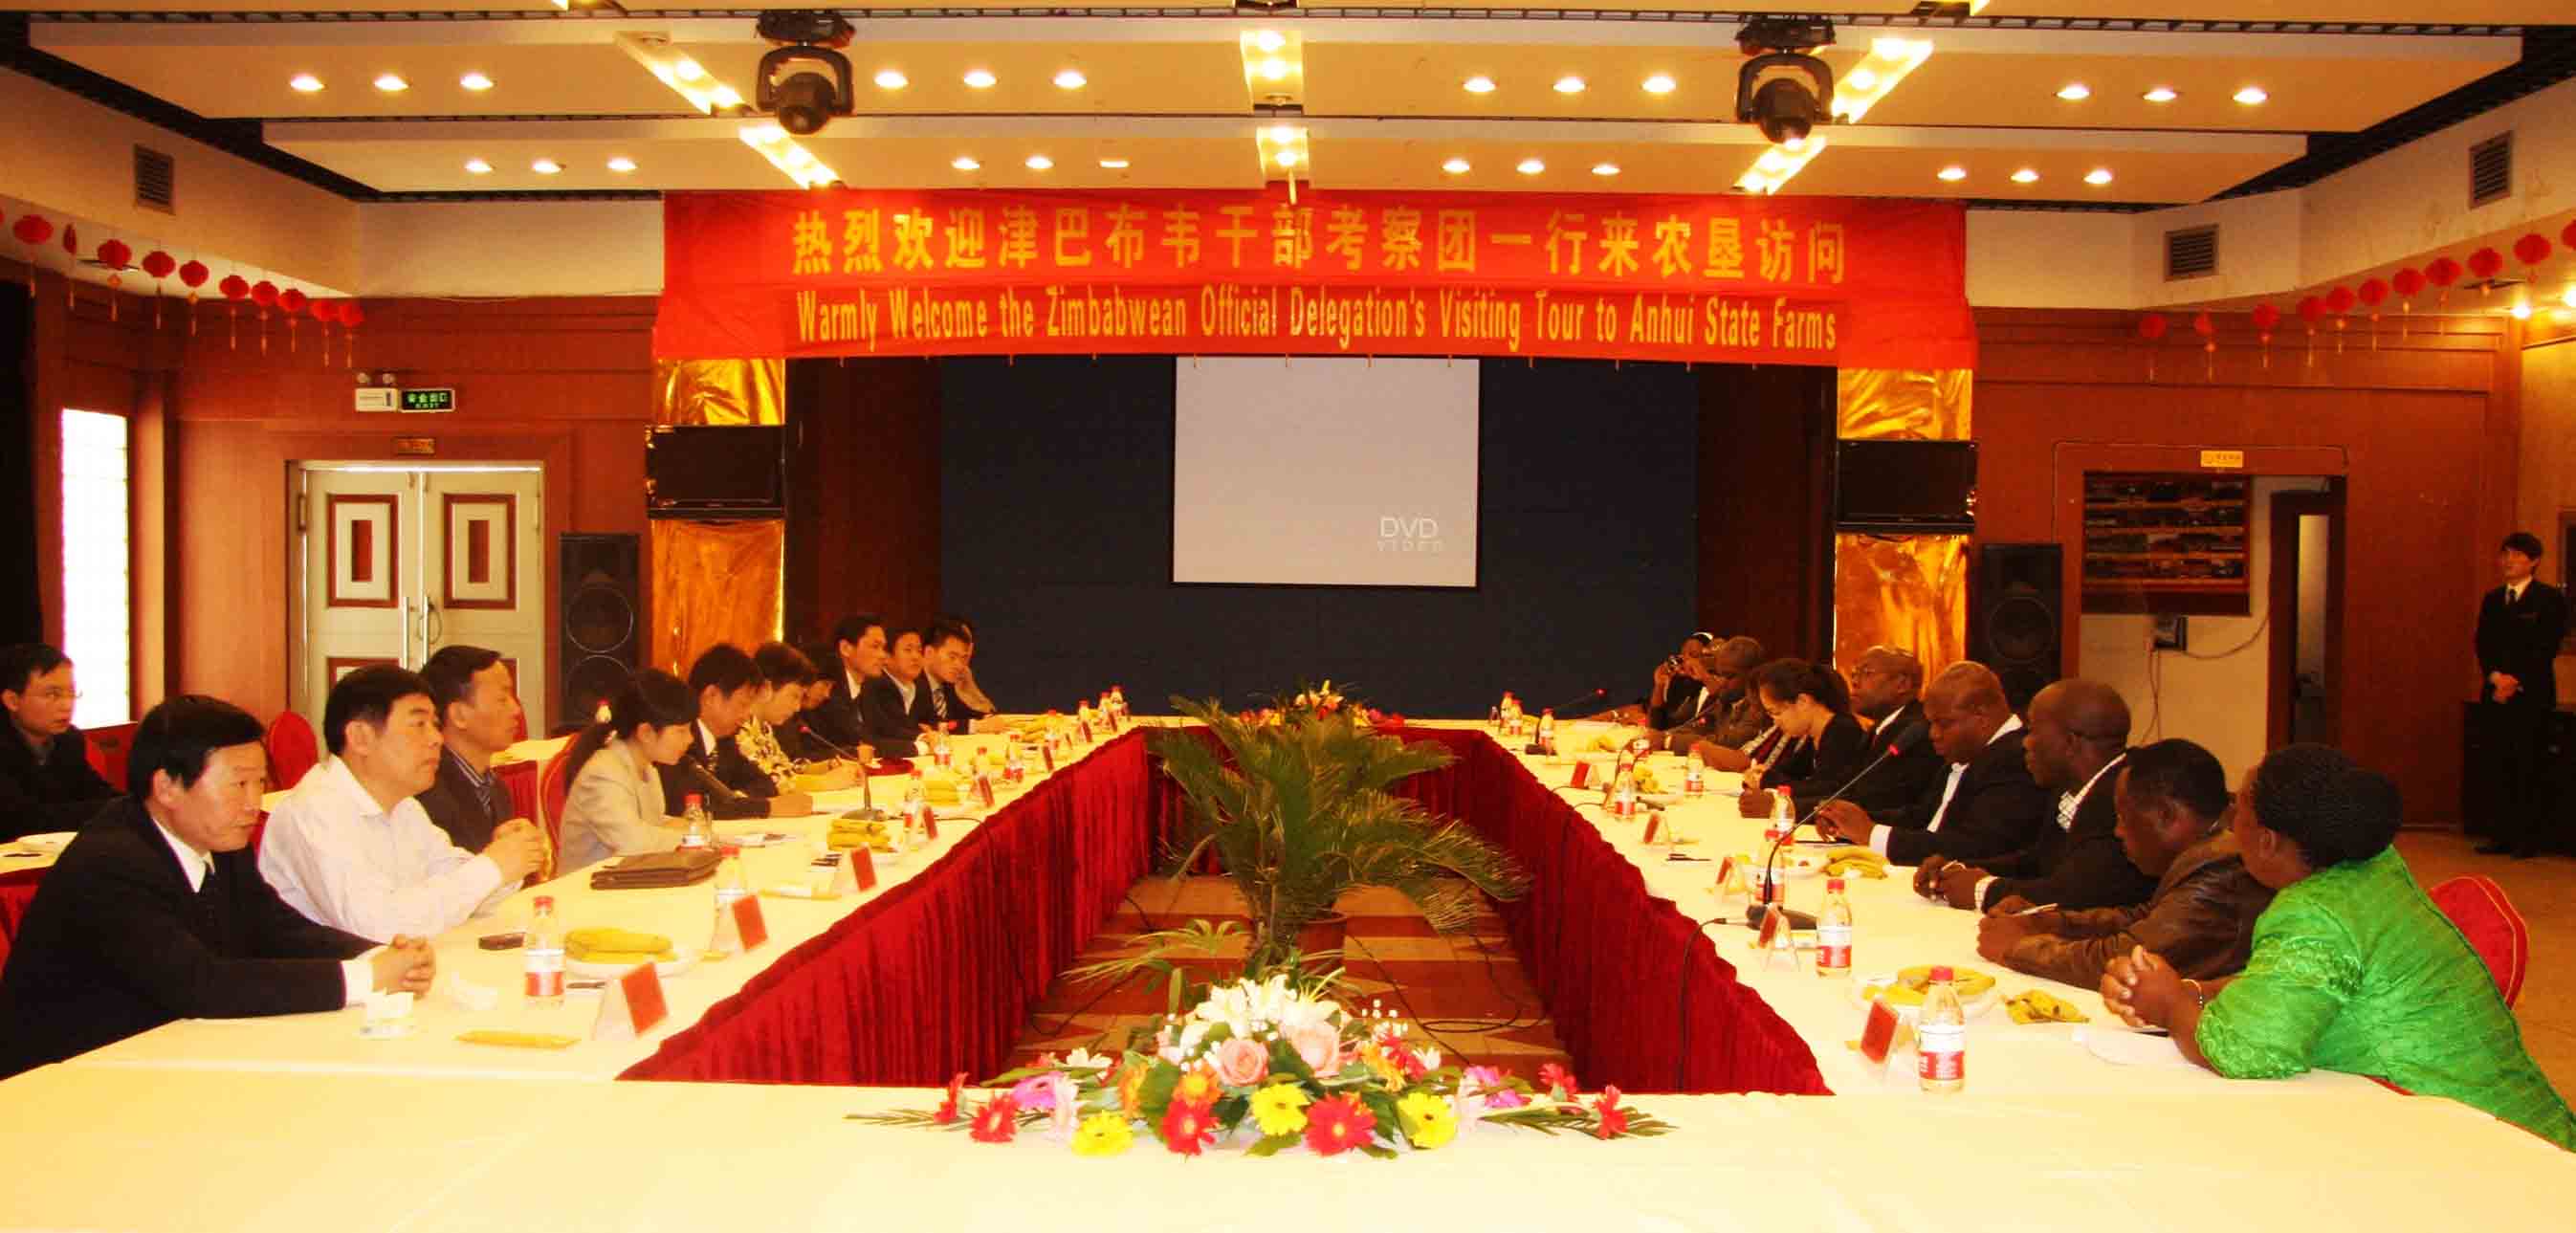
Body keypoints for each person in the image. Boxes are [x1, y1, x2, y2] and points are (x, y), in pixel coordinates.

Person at [2103, 744, 2576, 1152]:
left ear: (2267, 842)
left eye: (2238, 809)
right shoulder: (2372, 869)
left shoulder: (2314, 914)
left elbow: (2244, 1053)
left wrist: (2170, 1006)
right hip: (2523, 1121)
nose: (2229, 819)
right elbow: (2293, 985)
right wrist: (2194, 992)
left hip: (2474, 1143)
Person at [0, 695, 435, 1079]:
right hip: (61, 1080)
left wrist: (377, 954)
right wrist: (365, 978)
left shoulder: (218, 840)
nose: (252, 804)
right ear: (167, 786)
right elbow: (199, 983)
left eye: (260, 783)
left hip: (166, 1056)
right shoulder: (112, 863)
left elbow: (275, 928)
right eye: (238, 784)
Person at [259, 665, 546, 941]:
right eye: (419, 725)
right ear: (360, 737)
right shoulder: (314, 812)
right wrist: (493, 866)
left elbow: (457, 886)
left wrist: (509, 859)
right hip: (336, 971)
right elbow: (378, 928)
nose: (437, 739)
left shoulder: (404, 806)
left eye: (435, 725)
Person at [1975, 738, 2271, 989]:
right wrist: (2043, 921)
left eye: (2122, 817)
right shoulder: (2210, 851)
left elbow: (2129, 960)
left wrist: (2017, 949)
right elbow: (2142, 919)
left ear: (2166, 815)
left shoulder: (2223, 869)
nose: (2117, 831)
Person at [1922, 678, 2154, 914]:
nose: (2025, 743)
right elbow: (2038, 862)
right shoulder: (2068, 789)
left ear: (2070, 743)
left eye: (2032, 730)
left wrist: (1982, 890)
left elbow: (2078, 896)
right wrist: (1958, 869)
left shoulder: (2126, 798)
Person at [1816, 661, 2053, 866]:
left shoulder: (2018, 760)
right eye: (1931, 723)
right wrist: (1850, 822)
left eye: (1944, 723)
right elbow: (1922, 818)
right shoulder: (1967, 752)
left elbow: (1977, 846)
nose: (1933, 734)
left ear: (1981, 717)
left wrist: (1872, 833)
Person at [2474, 531, 2566, 858]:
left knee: (2529, 765)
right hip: (2497, 693)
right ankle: (2500, 835)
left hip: (2531, 695)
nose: (2508, 561)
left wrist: (2515, 680)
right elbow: (2483, 644)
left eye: (2516, 555)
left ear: (2534, 561)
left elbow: (2546, 646)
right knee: (2498, 764)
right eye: (2505, 554)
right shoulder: (2492, 599)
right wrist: (2496, 678)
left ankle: (2528, 838)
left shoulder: (2549, 599)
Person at [558, 670, 698, 873]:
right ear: (646, 732)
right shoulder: (603, 773)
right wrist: (696, 838)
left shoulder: (647, 769)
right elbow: (633, 842)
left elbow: (655, 825)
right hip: (586, 888)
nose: (690, 739)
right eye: (681, 731)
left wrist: (698, 829)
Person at [662, 644, 815, 822]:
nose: (746, 715)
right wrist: (763, 807)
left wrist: (735, 802)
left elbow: (765, 784)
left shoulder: (725, 740)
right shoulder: (678, 739)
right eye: (742, 704)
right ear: (711, 696)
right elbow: (689, 806)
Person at [412, 644, 527, 853]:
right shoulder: (427, 793)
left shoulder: (496, 789)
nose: (516, 709)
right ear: (459, 715)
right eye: (502, 699)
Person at [0, 643, 119, 839]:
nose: (67, 705)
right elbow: (21, 820)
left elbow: (96, 791)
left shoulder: (69, 740)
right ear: (12, 701)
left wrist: (139, 805)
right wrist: (111, 810)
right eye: (52, 695)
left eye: (71, 693)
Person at [1735, 659, 1871, 819]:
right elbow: (1793, 772)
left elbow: (1829, 791)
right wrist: (1762, 774)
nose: (1775, 722)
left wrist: (1767, 780)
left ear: (1802, 702)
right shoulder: (1813, 734)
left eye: (1776, 713)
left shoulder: (1843, 731)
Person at [740, 642, 860, 791]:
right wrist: (823, 782)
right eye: (794, 696)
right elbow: (768, 781)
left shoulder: (763, 726)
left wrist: (827, 766)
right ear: (766, 689)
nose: (797, 707)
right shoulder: (739, 726)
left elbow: (785, 768)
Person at [1843, 646, 1945, 810]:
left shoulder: (1917, 730)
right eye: (1854, 674)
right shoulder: (1876, 730)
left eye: (1867, 673)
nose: (1854, 682)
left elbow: (1879, 799)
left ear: (1902, 684)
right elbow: (1848, 788)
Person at [1666, 637, 1769, 765]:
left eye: (1729, 676)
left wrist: (1669, 741)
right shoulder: (1726, 700)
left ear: (1753, 675)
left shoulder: (1760, 706)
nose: (1722, 682)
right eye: (1719, 675)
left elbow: (1728, 743)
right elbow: (1694, 727)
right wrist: (1664, 736)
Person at [811, 614, 887, 753]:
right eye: (875, 646)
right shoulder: (828, 687)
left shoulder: (870, 686)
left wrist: (921, 738)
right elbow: (860, 740)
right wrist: (920, 747)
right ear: (845, 648)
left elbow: (885, 728)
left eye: (883, 648)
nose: (882, 655)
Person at [922, 620, 1005, 734]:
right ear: (929, 653)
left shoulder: (945, 684)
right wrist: (976, 726)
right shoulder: (912, 683)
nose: (959, 665)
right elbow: (927, 725)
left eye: (963, 658)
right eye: (952, 657)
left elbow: (962, 713)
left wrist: (986, 717)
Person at [859, 627, 932, 755]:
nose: (916, 657)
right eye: (908, 650)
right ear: (887, 657)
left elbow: (931, 721)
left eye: (919, 651)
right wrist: (920, 735)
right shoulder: (876, 684)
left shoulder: (920, 685)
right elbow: (886, 729)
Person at [936, 613, 1001, 717]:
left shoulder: (965, 672)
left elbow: (989, 709)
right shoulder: (941, 674)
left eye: (968, 642)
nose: (966, 650)